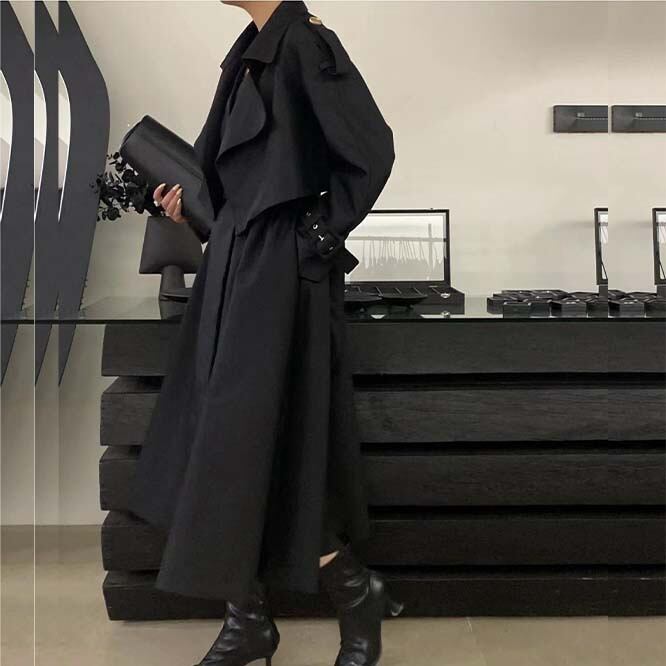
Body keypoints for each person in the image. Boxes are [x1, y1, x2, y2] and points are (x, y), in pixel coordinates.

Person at [127, 2, 401, 664]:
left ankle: (352, 594)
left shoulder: (305, 45)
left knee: (258, 440)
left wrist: (314, 236)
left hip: (276, 274)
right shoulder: (249, 53)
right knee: (212, 442)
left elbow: (372, 151)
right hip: (231, 266)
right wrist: (188, 210)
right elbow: (234, 177)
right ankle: (248, 617)